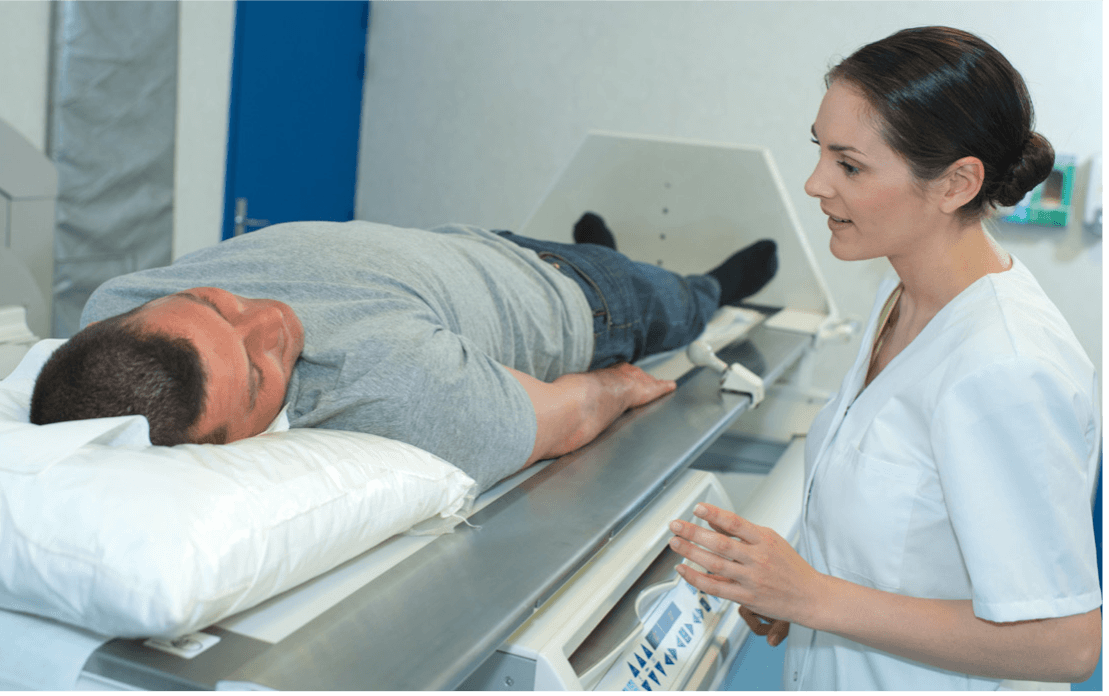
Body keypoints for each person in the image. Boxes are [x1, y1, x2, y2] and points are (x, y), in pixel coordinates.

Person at [668, 26, 1101, 690]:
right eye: (819, 151)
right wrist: (785, 592)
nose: (815, 184)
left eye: (849, 165)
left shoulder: (1006, 368)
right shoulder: (901, 295)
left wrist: (809, 597)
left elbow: (1062, 644)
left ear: (955, 183)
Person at [29, 215, 778, 492]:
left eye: (213, 302)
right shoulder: (390, 387)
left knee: (656, 288)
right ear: (230, 446)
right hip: (587, 302)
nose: (272, 319)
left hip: (473, 246)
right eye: (259, 370)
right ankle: (713, 287)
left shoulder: (115, 308)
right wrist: (619, 384)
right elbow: (573, 411)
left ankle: (632, 261)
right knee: (676, 305)